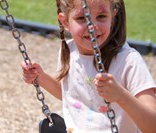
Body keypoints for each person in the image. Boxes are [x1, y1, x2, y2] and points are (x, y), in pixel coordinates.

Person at [21, 0, 156, 132]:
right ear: (65, 22)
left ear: (113, 16)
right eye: (81, 18)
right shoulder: (69, 50)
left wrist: (121, 96)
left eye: (101, 16)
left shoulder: (128, 61)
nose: (92, 26)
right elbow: (73, 96)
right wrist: (40, 77)